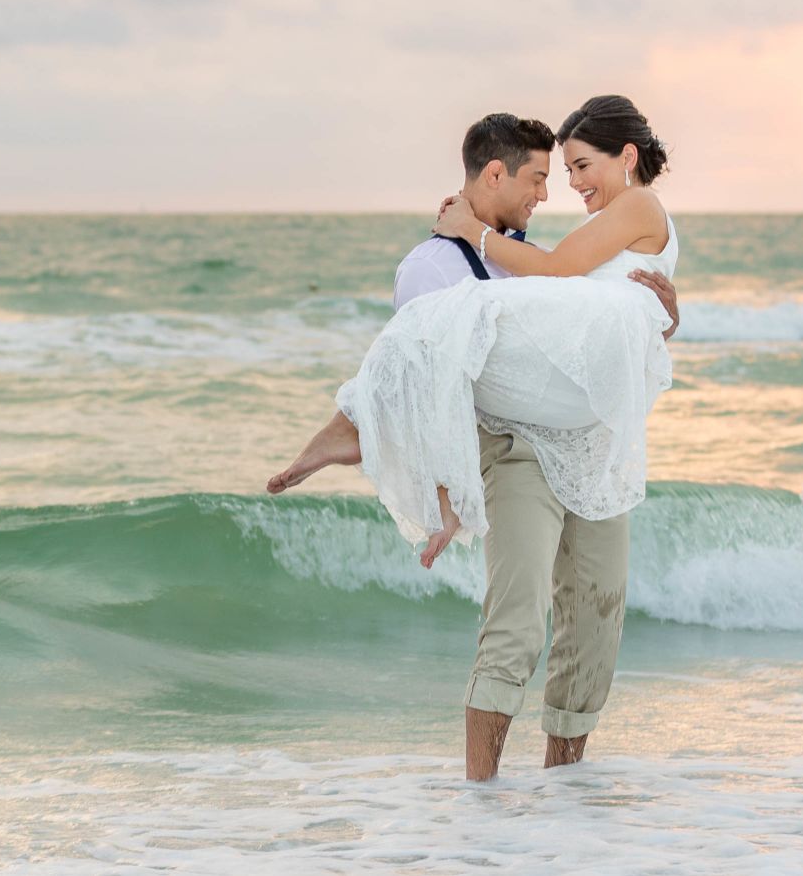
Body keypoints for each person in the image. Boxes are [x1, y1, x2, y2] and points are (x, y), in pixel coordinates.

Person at [265, 96, 679, 780]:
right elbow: (444, 375)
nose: (560, 190)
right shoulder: (438, 264)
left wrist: (663, 320)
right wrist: (450, 483)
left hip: (596, 446)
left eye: (576, 169)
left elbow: (588, 307)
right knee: (518, 625)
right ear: (494, 175)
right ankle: (479, 800)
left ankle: (566, 788)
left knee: (595, 625)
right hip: (519, 444)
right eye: (548, 176)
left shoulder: (605, 222)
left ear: (625, 158)